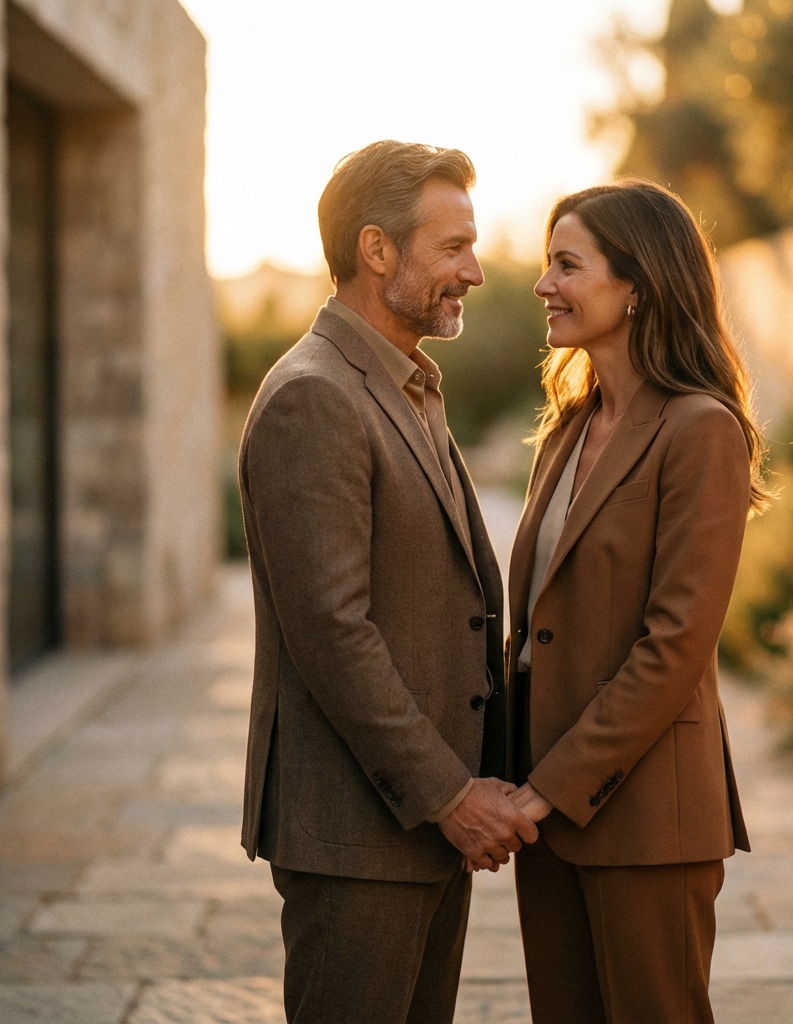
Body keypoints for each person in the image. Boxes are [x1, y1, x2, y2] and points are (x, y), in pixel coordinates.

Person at [238, 140, 538, 1024]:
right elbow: (334, 633)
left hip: (417, 834)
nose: (475, 272)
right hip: (358, 837)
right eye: (452, 248)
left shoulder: (406, 384)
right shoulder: (315, 396)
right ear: (377, 251)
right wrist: (450, 795)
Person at [505, 180, 770, 1024]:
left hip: (648, 817)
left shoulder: (701, 431)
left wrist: (547, 788)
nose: (545, 285)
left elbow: (674, 645)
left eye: (567, 265)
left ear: (637, 286)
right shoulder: (569, 425)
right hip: (545, 816)